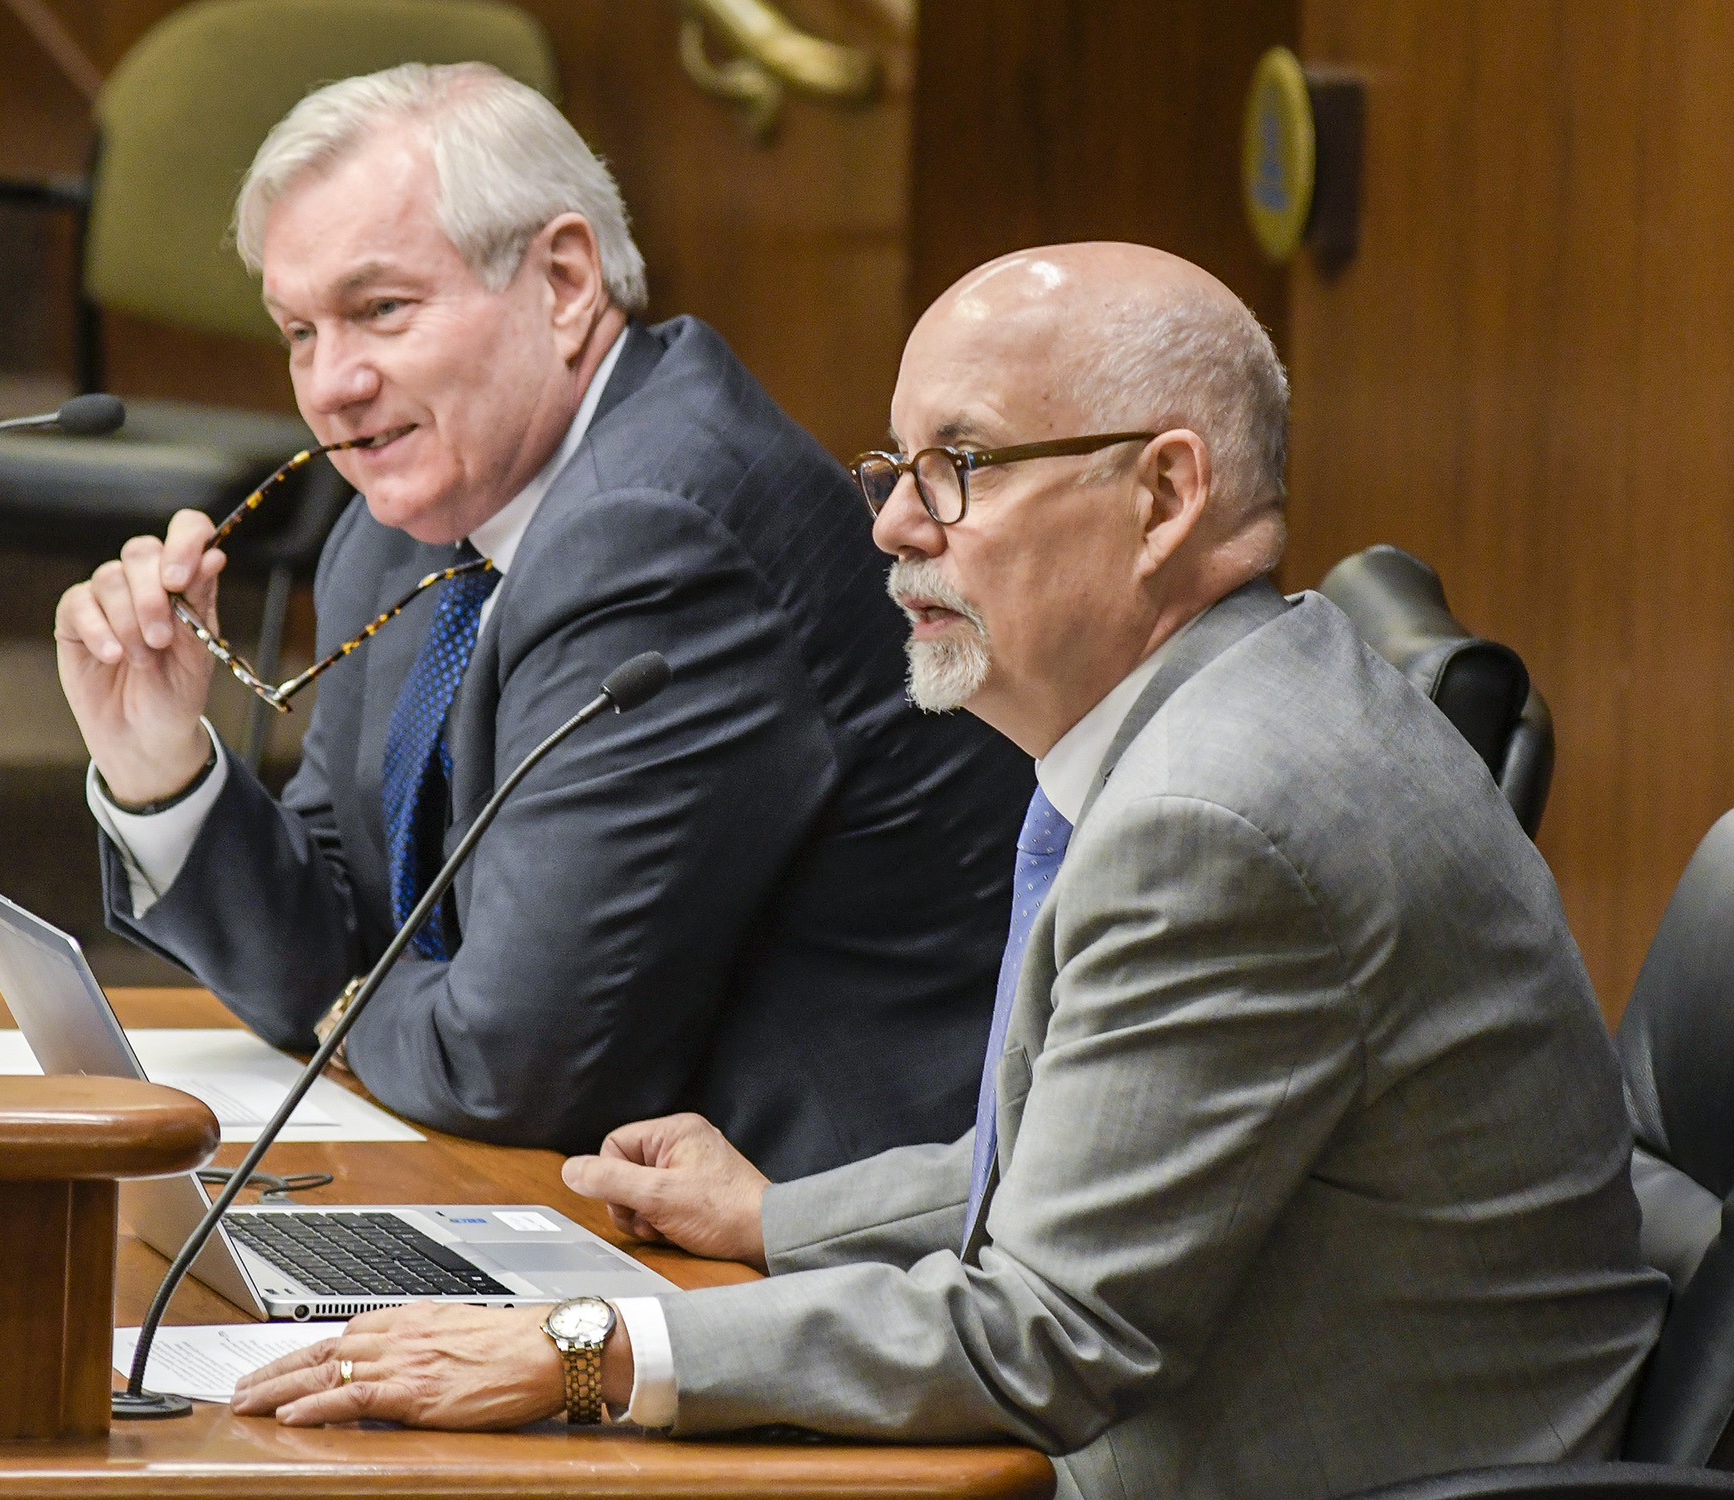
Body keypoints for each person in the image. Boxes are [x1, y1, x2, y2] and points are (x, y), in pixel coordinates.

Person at [230, 243, 1669, 1500]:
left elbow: (1044, 1336)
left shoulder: (1217, 819)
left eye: (957, 468)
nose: (894, 527)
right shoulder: (1214, 716)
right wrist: (771, 1219)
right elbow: (1065, 1173)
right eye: (892, 469)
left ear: (1164, 494)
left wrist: (586, 1352)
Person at [52, 63, 1034, 1180]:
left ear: (564, 281)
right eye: (298, 331)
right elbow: (350, 915)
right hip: (578, 1177)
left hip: (819, 1235)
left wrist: (332, 1005)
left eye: (380, 311)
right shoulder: (407, 518)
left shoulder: (658, 528)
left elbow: (514, 1064)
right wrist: (161, 767)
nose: (331, 384)